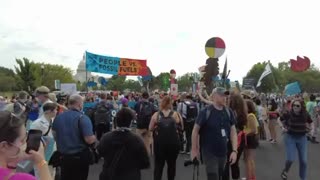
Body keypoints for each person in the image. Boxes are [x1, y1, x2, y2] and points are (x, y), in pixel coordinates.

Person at [192, 87, 238, 180]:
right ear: (214, 96)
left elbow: (233, 132)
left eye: (225, 95)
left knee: (220, 175)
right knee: (213, 176)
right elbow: (195, 130)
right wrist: (194, 150)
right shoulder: (205, 112)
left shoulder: (229, 112)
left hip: (223, 153)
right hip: (209, 152)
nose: (225, 98)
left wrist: (234, 151)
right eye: (222, 95)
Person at [97, 107, 150, 180]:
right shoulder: (137, 140)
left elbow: (98, 155)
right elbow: (145, 163)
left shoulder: (106, 138)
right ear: (131, 122)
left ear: (116, 121)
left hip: (110, 175)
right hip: (130, 175)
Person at [52, 94, 96, 180]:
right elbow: (89, 140)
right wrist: (94, 137)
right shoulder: (83, 118)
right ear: (79, 104)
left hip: (63, 158)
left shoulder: (58, 117)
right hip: (79, 158)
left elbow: (54, 136)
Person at [0, 111, 52, 180]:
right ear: (4, 146)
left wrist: (13, 162)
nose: (26, 143)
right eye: (22, 140)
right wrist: (41, 162)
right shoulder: (22, 178)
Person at [149, 96, 183, 180]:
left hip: (159, 144)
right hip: (173, 144)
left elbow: (150, 128)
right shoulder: (176, 114)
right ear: (170, 103)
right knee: (171, 165)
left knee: (158, 166)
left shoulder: (156, 115)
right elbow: (182, 127)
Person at [280, 99, 312, 180]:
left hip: (302, 138)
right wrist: (282, 127)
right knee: (290, 159)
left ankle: (303, 178)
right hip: (290, 137)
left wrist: (310, 129)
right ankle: (285, 171)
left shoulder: (305, 114)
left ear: (301, 107)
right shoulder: (288, 113)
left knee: (304, 161)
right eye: (294, 105)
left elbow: (310, 122)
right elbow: (279, 119)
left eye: (297, 105)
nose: (295, 107)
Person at [223, 93, 248, 180]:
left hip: (231, 139)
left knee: (226, 162)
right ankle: (236, 177)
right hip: (241, 139)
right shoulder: (243, 112)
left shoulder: (229, 112)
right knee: (235, 162)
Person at [30, 102, 57, 178]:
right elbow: (32, 143)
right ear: (49, 111)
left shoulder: (54, 121)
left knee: (52, 175)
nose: (56, 112)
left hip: (52, 154)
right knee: (41, 176)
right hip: (42, 156)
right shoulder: (37, 124)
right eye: (55, 110)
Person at [244, 100, 259, 180]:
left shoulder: (250, 116)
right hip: (251, 139)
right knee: (249, 159)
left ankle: (249, 177)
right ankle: (251, 177)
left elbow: (253, 129)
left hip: (250, 139)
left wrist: (243, 133)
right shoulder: (250, 115)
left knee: (248, 159)